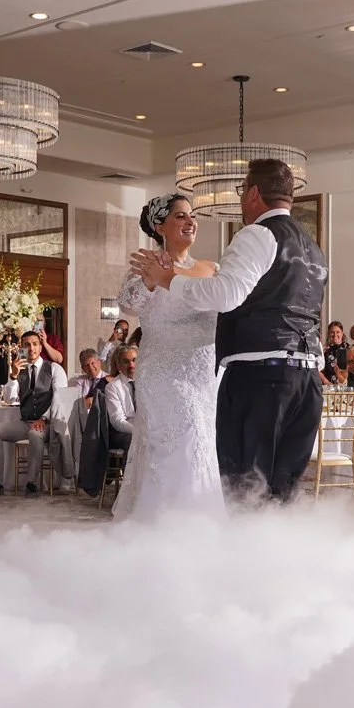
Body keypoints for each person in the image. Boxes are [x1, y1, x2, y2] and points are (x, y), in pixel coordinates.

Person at [132, 160, 328, 504]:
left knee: (244, 486)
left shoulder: (257, 234)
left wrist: (168, 281)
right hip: (307, 378)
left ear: (253, 193)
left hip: (262, 377)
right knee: (282, 491)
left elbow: (226, 295)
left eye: (242, 192)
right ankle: (275, 554)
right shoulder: (313, 248)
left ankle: (242, 556)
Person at [106, 195, 226, 519]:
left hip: (206, 374)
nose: (190, 222)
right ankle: (171, 525)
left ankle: (202, 524)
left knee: (203, 443)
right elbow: (128, 305)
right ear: (160, 226)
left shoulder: (212, 269)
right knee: (185, 437)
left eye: (192, 216)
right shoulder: (146, 268)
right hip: (163, 372)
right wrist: (148, 281)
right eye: (180, 216)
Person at [0, 331, 69, 496]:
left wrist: (44, 419)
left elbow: (59, 401)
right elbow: (10, 399)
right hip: (25, 422)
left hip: (48, 424)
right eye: (27, 345)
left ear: (40, 346)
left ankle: (32, 483)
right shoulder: (18, 368)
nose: (31, 348)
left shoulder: (54, 369)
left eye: (35, 344)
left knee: (34, 434)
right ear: (21, 347)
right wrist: (13, 376)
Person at [79, 345, 138, 497]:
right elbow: (118, 421)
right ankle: (130, 494)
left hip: (143, 428)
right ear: (118, 365)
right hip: (121, 432)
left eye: (134, 360)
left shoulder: (147, 383)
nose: (131, 365)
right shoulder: (113, 387)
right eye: (126, 361)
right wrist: (139, 431)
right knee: (133, 440)